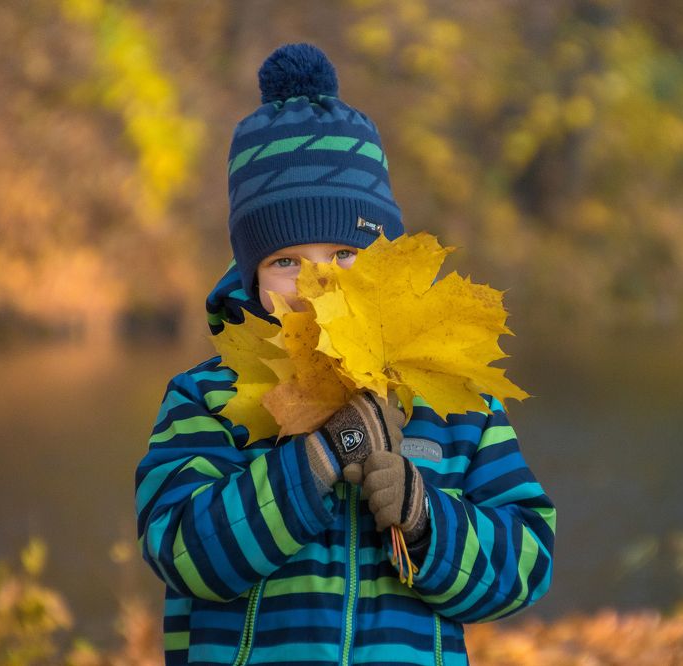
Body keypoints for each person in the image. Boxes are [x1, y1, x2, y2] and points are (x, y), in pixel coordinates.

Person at [135, 43, 555, 666]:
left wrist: (425, 519)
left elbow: (527, 561)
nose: (317, 283)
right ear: (250, 276)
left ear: (385, 260)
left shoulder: (452, 404)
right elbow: (183, 552)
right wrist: (324, 456)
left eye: (345, 254)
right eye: (285, 261)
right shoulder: (209, 400)